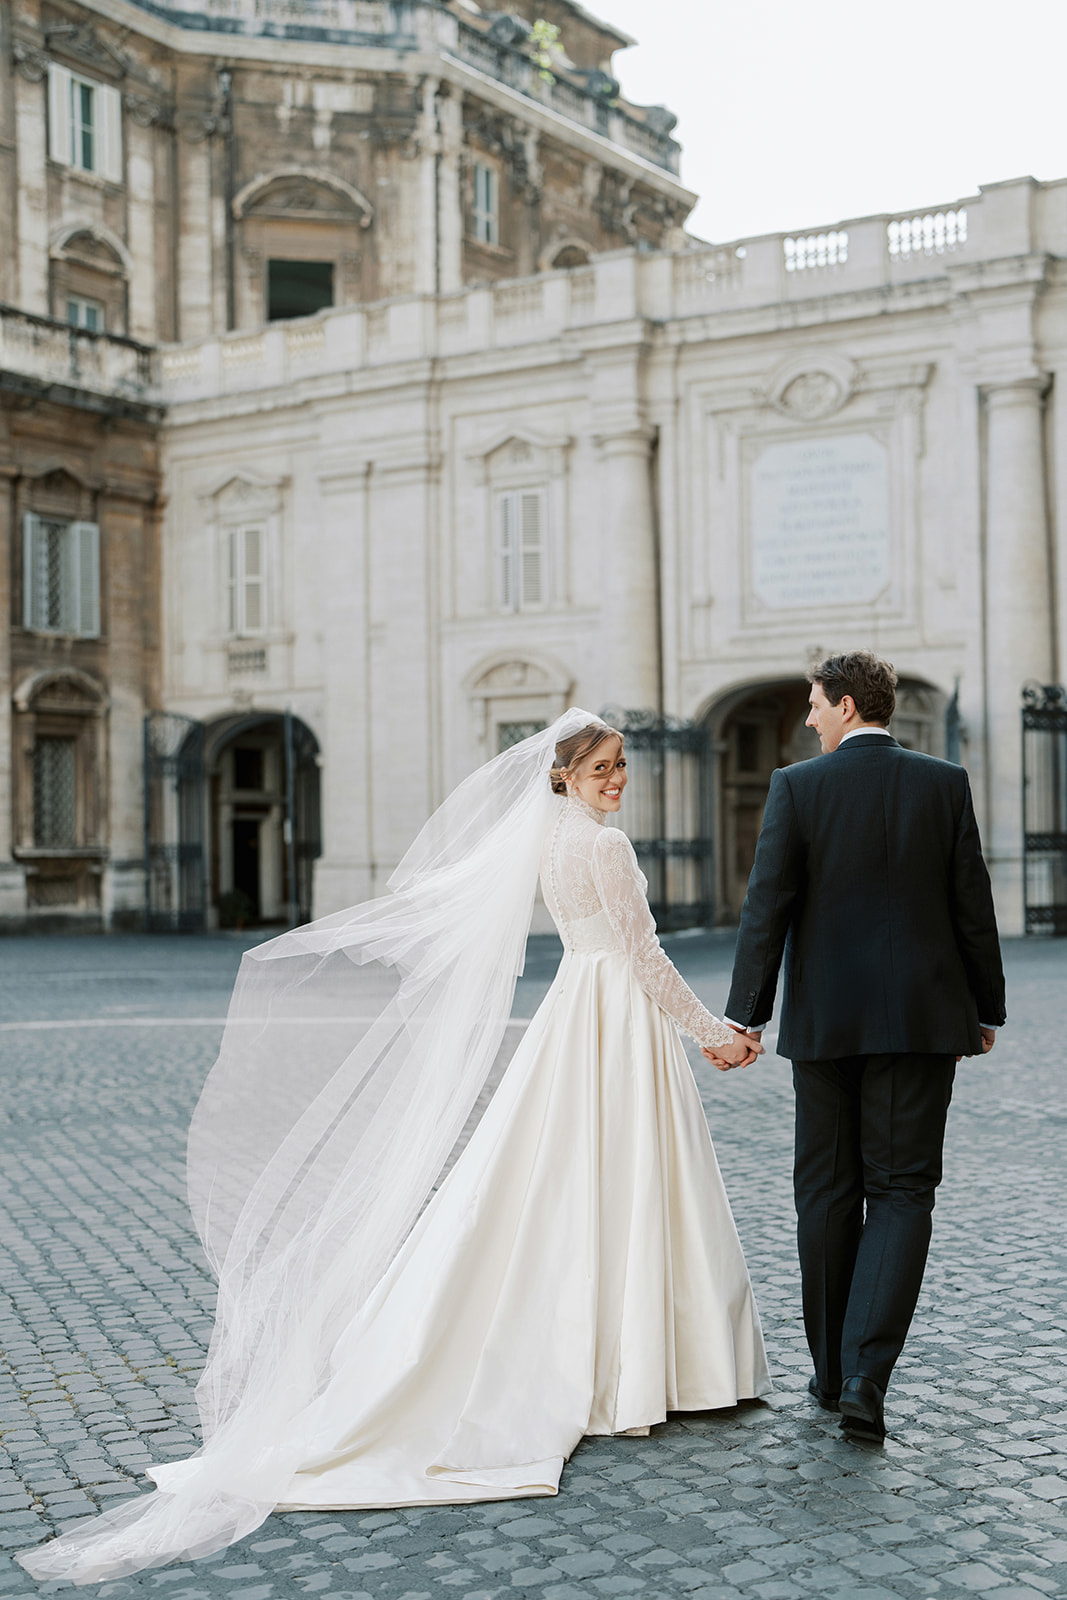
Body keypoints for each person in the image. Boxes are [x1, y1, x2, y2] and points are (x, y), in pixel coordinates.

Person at [19, 711, 770, 1585]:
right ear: (563, 774)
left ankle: (624, 1354)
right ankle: (646, 1361)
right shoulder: (603, 847)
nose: (617, 779)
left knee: (569, 1181)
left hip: (577, 1012)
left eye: (621, 764)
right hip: (614, 1018)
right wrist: (712, 1033)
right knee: (624, 1180)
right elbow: (642, 956)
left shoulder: (549, 841)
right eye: (601, 767)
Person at [720, 651, 1006, 1442]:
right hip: (922, 1021)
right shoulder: (943, 783)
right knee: (902, 1191)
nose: (809, 716)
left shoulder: (796, 787)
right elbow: (971, 903)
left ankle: (826, 1372)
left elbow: (766, 906)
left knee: (825, 1191)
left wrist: (746, 1016)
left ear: (846, 705)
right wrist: (983, 1008)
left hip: (824, 1025)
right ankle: (864, 1377)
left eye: (815, 703)